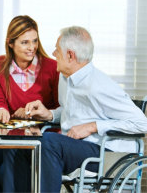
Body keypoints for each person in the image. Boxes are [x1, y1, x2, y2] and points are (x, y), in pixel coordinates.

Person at [25, 26, 147, 192]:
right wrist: (49, 114)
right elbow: (73, 113)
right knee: (25, 146)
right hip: (79, 148)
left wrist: (92, 126)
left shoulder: (99, 85)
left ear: (70, 55)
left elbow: (142, 123)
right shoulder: (66, 79)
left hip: (107, 155)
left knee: (48, 141)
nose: (53, 54)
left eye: (57, 50)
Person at [0, 15, 60, 192]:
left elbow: (59, 107)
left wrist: (36, 113)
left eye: (34, 41)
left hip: (38, 135)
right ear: (10, 43)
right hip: (6, 133)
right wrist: (1, 109)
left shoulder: (52, 67)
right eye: (25, 42)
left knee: (6, 173)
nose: (32, 47)